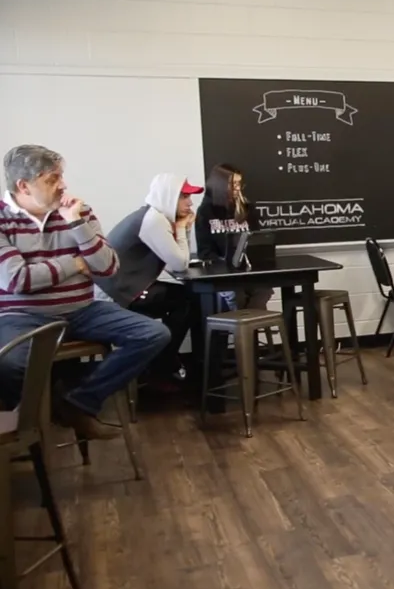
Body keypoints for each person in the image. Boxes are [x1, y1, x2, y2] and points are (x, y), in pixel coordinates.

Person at [0, 144, 171, 439]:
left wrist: (77, 224)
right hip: (21, 314)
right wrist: (74, 262)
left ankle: (78, 403)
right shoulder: (3, 220)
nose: (63, 185)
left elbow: (107, 268)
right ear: (23, 186)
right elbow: (17, 281)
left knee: (152, 334)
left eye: (61, 176)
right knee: (10, 363)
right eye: (51, 179)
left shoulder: (78, 212)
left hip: (82, 309)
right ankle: (30, 434)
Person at [94, 173, 203, 382]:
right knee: (189, 300)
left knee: (185, 299)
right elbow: (180, 263)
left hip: (121, 287)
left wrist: (182, 229)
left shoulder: (153, 216)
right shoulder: (154, 220)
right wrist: (181, 228)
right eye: (184, 196)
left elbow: (178, 260)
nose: (190, 203)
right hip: (114, 294)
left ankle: (161, 361)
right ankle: (162, 362)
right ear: (168, 196)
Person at [194, 163, 272, 310]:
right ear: (220, 186)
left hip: (249, 272)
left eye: (239, 183)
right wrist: (225, 265)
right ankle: (244, 328)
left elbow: (258, 240)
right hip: (223, 275)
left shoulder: (247, 208)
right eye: (233, 184)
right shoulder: (205, 212)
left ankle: (247, 328)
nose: (237, 188)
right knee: (236, 294)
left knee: (264, 290)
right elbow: (204, 252)